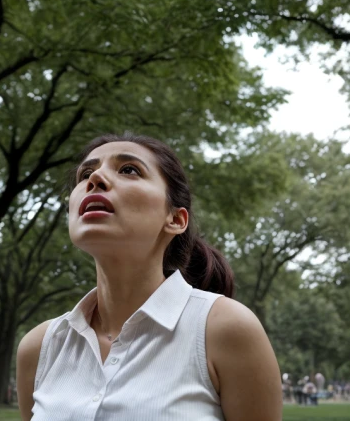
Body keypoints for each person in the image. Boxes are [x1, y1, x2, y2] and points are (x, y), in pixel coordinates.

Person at [17, 133, 283, 421]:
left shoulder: (226, 329)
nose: (96, 179)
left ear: (176, 219)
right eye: (86, 173)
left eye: (129, 169)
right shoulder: (39, 347)